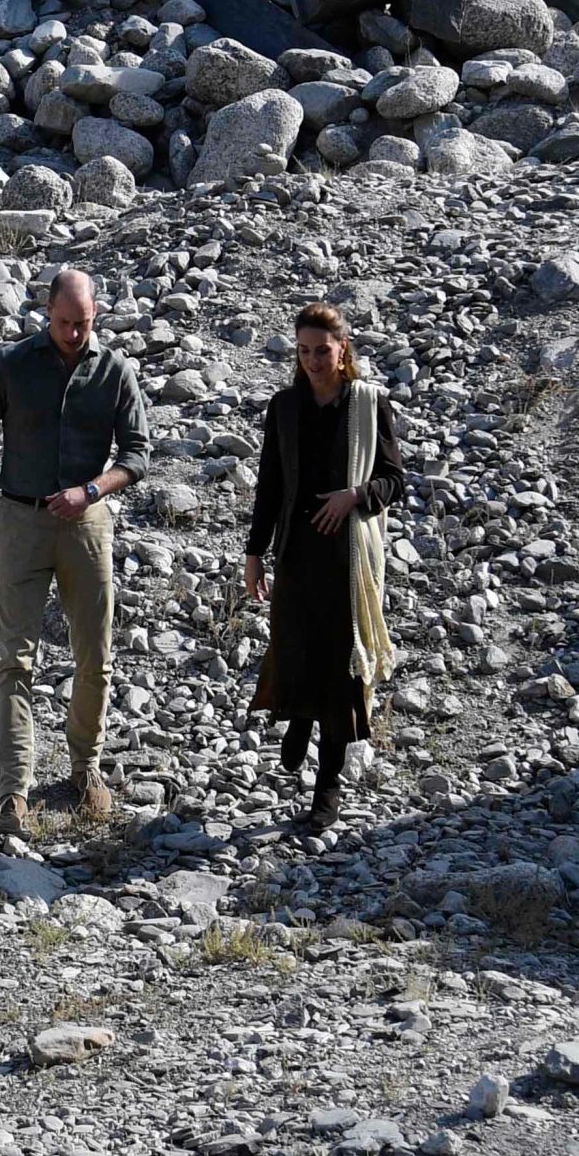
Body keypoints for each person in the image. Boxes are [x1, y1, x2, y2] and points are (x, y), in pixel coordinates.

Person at [0, 268, 152, 837]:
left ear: (97, 314)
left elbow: (138, 454)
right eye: (64, 323)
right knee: (15, 660)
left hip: (87, 525)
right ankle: (14, 791)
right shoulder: (11, 365)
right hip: (19, 521)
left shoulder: (115, 371)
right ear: (47, 311)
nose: (73, 334)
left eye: (83, 323)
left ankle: (84, 771)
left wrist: (93, 490)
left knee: (96, 655)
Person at [242, 303, 406, 827]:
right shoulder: (284, 408)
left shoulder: (367, 405)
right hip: (296, 554)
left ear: (343, 350)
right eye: (305, 351)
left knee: (340, 670)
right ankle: (298, 721)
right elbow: (270, 485)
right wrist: (254, 553)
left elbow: (394, 481)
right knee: (293, 649)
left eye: (323, 351)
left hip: (347, 559)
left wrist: (355, 496)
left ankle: (326, 791)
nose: (314, 361)